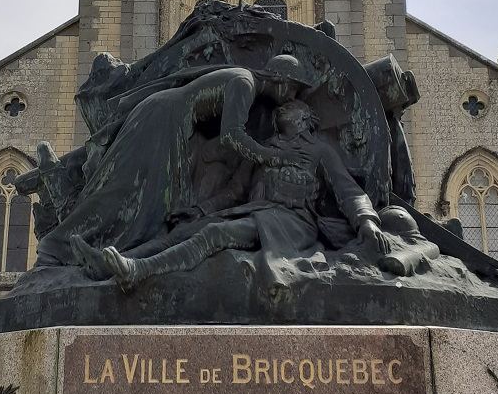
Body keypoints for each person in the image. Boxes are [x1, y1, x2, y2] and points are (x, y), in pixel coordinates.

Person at [97, 100, 440, 291]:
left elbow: (349, 190)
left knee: (216, 234)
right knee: (186, 230)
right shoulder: (263, 150)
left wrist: (367, 223)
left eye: (290, 108)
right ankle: (110, 263)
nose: (282, 111)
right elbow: (234, 191)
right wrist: (200, 209)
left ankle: (138, 270)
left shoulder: (320, 150)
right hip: (257, 212)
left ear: (304, 117)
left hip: (293, 223)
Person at [34, 56, 312, 266]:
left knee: (151, 204)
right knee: (125, 189)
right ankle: (55, 247)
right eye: (293, 89)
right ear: (279, 78)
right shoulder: (244, 83)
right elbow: (231, 136)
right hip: (162, 119)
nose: (292, 97)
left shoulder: (245, 82)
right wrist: (276, 157)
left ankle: (109, 256)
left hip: (173, 123)